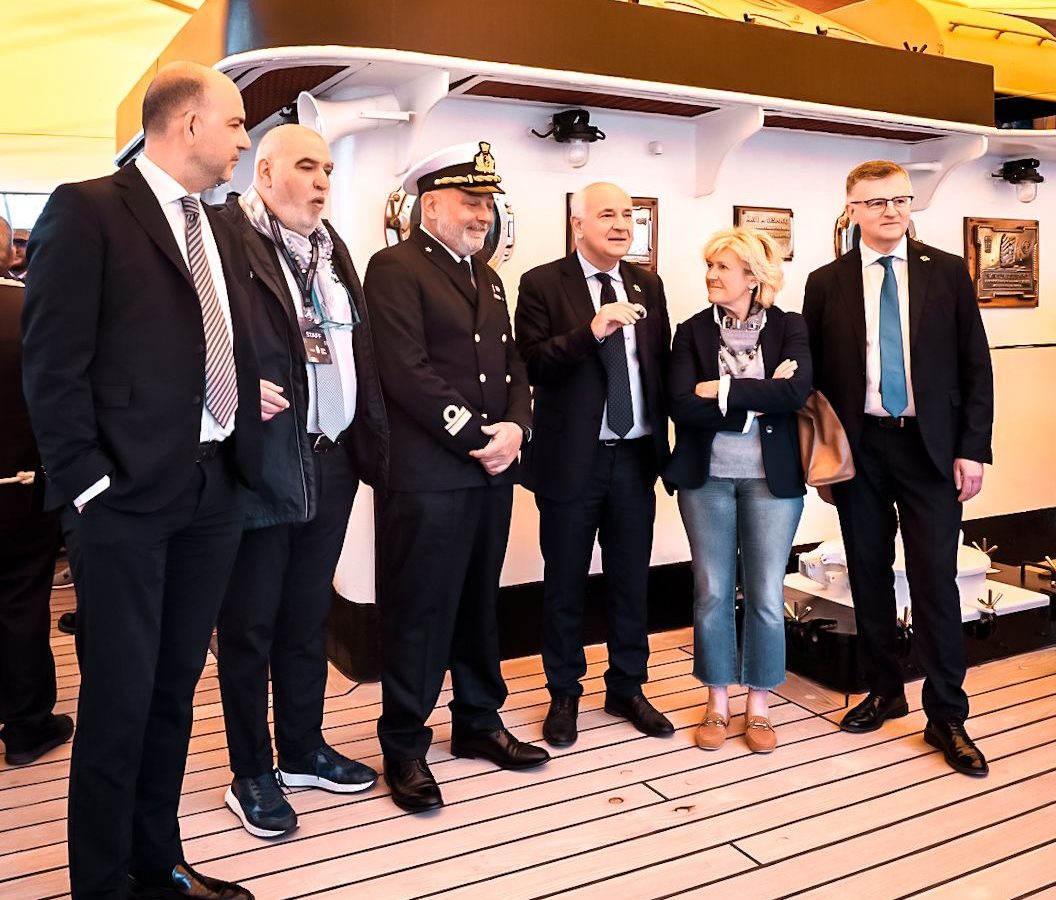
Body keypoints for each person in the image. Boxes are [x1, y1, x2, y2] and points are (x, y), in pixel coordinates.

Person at [21, 62, 261, 898]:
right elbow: (52, 364)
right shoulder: (87, 209)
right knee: (118, 705)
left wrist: (246, 405)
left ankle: (157, 866)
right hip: (120, 501)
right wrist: (87, 484)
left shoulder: (220, 225)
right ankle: (101, 884)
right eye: (236, 123)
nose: (243, 140)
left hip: (213, 491)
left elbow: (205, 339)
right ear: (189, 123)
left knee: (173, 694)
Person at [364, 142, 549, 813]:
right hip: (428, 477)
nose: (483, 214)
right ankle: (404, 745)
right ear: (431, 205)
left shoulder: (488, 278)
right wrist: (480, 439)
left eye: (488, 204)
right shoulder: (394, 268)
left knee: (478, 604)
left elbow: (513, 364)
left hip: (488, 475)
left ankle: (476, 721)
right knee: (418, 611)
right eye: (471, 202)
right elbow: (405, 370)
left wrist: (517, 427)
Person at [215, 124, 387, 838]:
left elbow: (352, 344)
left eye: (328, 170)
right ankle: (251, 771)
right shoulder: (225, 239)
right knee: (250, 623)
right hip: (265, 460)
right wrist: (225, 385)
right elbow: (189, 334)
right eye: (307, 167)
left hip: (331, 458)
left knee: (307, 613)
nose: (322, 182)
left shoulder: (329, 247)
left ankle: (302, 749)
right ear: (264, 173)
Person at [803, 160, 993, 777]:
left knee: (935, 578)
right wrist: (822, 460)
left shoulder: (948, 273)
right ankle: (885, 690)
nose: (891, 211)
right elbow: (815, 382)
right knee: (868, 573)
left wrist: (973, 448)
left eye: (901, 200)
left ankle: (947, 715)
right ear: (852, 210)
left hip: (930, 450)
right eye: (877, 201)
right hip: (860, 451)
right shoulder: (825, 282)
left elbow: (976, 365)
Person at [514, 182, 674, 748]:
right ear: (577, 223)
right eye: (607, 214)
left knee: (631, 581)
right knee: (565, 584)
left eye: (628, 214)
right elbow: (531, 364)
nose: (621, 224)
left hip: (635, 457)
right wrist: (591, 331)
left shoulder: (648, 284)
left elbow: (660, 367)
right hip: (571, 462)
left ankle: (627, 687)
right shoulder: (541, 283)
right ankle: (564, 693)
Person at [666, 227, 810, 753]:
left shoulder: (790, 327)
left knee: (767, 594)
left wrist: (722, 388)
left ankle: (760, 704)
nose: (710, 275)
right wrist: (757, 396)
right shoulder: (691, 332)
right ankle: (717, 701)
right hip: (706, 480)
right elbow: (681, 404)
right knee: (711, 593)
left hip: (772, 481)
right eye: (709, 266)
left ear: (752, 276)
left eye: (722, 267)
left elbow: (796, 393)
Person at [0, 215, 72, 767]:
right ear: (10, 251)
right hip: (19, 485)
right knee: (21, 600)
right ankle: (26, 725)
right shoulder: (30, 311)